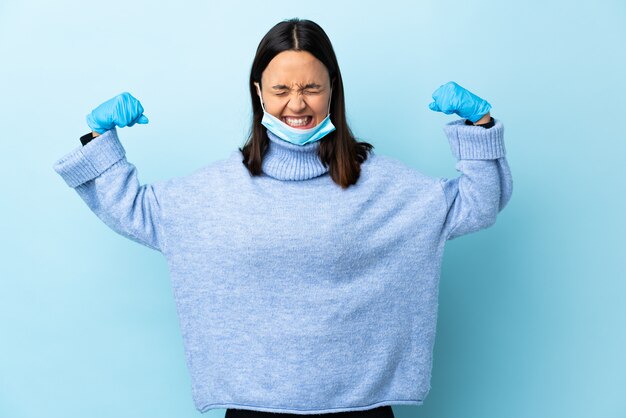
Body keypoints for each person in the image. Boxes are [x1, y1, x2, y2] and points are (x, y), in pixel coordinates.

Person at [53, 18, 512, 418]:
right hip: (254, 411)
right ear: (258, 92)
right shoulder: (214, 193)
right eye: (281, 89)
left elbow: (475, 203)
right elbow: (133, 209)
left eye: (312, 87)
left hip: (363, 411)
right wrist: (98, 136)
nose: (297, 104)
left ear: (333, 89)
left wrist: (481, 125)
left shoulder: (386, 188)